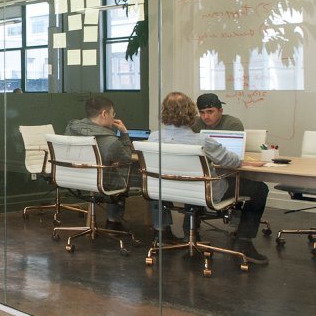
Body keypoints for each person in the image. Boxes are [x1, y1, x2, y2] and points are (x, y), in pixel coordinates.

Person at [147, 92, 268, 264]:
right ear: (192, 113)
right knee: (259, 189)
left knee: (195, 182)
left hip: (170, 191)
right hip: (203, 191)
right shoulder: (202, 140)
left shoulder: (153, 137)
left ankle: (179, 233)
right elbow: (232, 161)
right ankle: (244, 242)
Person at [64, 95, 133, 233]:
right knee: (124, 173)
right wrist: (124, 134)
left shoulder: (71, 128)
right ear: (104, 114)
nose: (114, 117)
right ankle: (113, 221)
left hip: (72, 177)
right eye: (113, 114)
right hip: (100, 181)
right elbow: (127, 158)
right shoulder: (111, 141)